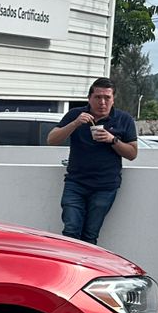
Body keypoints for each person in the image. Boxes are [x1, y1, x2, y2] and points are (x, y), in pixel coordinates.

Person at [46, 78, 138, 245]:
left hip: (105, 185)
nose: (102, 102)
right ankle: (70, 269)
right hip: (76, 183)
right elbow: (51, 139)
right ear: (89, 98)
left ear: (113, 99)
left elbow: (132, 154)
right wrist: (74, 124)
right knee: (70, 231)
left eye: (107, 97)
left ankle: (87, 270)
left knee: (90, 235)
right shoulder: (76, 115)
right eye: (97, 97)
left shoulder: (124, 119)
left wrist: (113, 140)